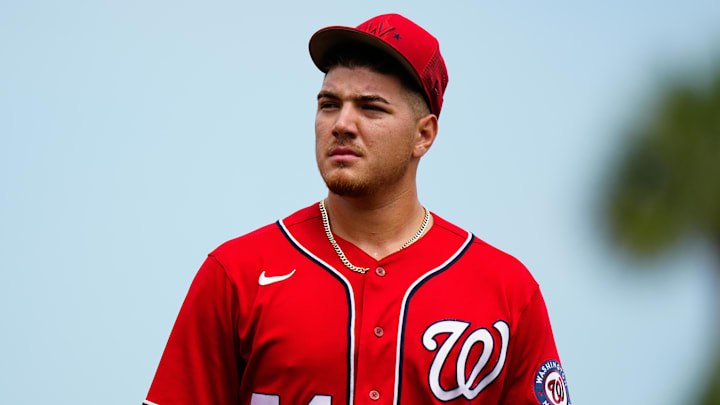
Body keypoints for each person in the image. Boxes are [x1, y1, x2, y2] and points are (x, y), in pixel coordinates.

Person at [143, 13, 570, 405]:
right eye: (329, 104)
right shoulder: (237, 274)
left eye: (370, 107)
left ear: (424, 135)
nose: (342, 124)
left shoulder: (507, 291)